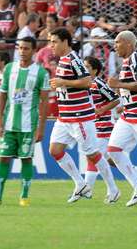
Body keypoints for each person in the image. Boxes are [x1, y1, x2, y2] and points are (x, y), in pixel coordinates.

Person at [48, 27, 120, 204]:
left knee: (93, 153)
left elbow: (87, 81)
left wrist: (63, 82)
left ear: (65, 42)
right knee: (55, 150)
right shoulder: (63, 60)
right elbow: (71, 85)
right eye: (50, 42)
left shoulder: (74, 59)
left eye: (54, 42)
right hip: (65, 116)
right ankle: (80, 184)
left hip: (79, 116)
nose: (51, 46)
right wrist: (59, 86)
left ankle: (113, 189)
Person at [0, 36, 50, 207]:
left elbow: (44, 103)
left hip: (29, 126)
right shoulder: (9, 69)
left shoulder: (41, 73)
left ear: (34, 51)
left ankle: (24, 196)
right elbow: (3, 95)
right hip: (9, 124)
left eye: (26, 48)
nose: (22, 51)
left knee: (26, 159)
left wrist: (41, 129)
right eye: (20, 48)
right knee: (3, 158)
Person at [107, 30, 137, 207]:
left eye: (118, 42)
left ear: (128, 44)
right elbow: (132, 89)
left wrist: (118, 84)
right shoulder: (126, 62)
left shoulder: (135, 60)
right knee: (113, 151)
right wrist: (123, 103)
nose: (115, 45)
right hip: (128, 116)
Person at [83, 56, 120, 193]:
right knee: (110, 159)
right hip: (94, 126)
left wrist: (102, 110)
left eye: (87, 67)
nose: (84, 69)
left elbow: (115, 99)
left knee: (92, 156)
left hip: (104, 126)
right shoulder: (85, 84)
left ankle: (86, 191)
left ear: (95, 70)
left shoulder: (98, 84)